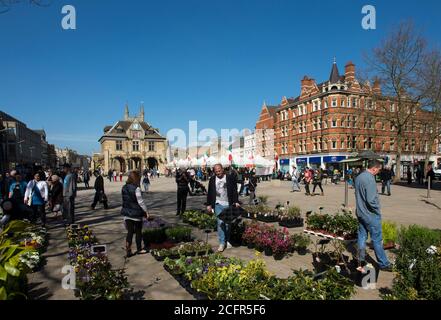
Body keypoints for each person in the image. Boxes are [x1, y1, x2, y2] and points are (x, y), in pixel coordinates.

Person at [355, 160, 392, 272]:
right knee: (377, 240)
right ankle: (383, 263)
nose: (379, 172)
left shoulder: (359, 177)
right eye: (379, 169)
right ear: (374, 168)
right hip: (370, 214)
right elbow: (371, 200)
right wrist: (377, 210)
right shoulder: (370, 179)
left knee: (362, 236)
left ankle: (360, 259)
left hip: (361, 212)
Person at [206, 163, 240, 252]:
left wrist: (236, 201)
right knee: (220, 222)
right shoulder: (212, 179)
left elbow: (234, 190)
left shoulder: (229, 178)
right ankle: (222, 243)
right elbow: (210, 192)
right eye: (216, 171)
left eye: (219, 171)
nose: (218, 173)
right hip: (218, 204)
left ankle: (227, 240)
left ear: (222, 170)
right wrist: (209, 204)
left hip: (228, 204)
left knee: (228, 224)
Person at [121, 171, 149, 257]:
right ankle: (139, 249)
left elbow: (124, 199)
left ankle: (128, 249)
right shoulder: (136, 188)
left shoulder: (124, 187)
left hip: (126, 213)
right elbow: (140, 202)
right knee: (138, 232)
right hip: (136, 213)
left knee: (130, 232)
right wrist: (146, 211)